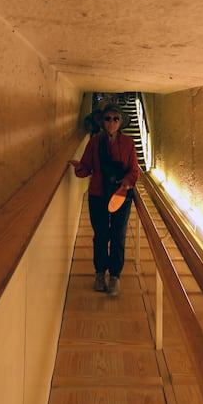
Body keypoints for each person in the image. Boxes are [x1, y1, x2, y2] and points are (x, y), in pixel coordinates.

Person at [69, 104, 140, 297]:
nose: (111, 122)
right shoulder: (94, 143)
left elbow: (134, 170)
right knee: (100, 235)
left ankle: (115, 276)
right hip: (98, 195)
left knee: (118, 236)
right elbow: (87, 168)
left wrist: (127, 181)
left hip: (120, 195)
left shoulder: (129, 143)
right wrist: (78, 167)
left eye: (115, 119)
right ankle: (100, 273)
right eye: (107, 118)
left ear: (121, 122)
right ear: (102, 121)